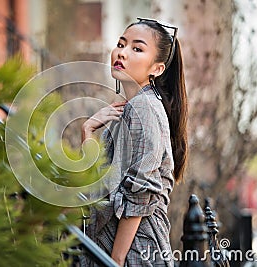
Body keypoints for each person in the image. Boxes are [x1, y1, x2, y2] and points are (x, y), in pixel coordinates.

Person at [80, 18, 188, 266]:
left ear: (157, 69)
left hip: (134, 250)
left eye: (137, 49)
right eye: (121, 44)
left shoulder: (144, 108)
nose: (122, 53)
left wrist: (116, 260)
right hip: (120, 246)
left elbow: (141, 192)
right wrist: (87, 131)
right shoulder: (131, 108)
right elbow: (95, 180)